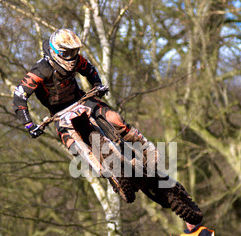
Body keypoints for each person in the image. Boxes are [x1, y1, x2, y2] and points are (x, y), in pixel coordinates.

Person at [12, 28, 153, 155]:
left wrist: (98, 85)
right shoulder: (41, 70)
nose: (71, 56)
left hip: (81, 100)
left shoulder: (77, 60)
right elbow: (19, 96)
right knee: (73, 147)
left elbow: (90, 70)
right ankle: (105, 170)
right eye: (67, 53)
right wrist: (29, 124)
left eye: (74, 52)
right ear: (56, 52)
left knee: (115, 119)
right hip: (58, 114)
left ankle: (144, 147)